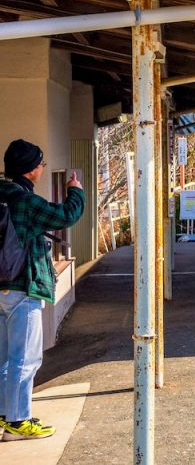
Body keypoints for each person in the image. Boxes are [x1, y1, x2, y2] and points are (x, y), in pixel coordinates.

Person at [0, 139, 84, 441]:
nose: (42, 168)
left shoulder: (2, 194)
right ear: (31, 169)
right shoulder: (24, 201)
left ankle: (5, 416)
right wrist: (76, 190)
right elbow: (66, 216)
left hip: (2, 289)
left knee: (5, 360)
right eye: (41, 164)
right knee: (26, 358)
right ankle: (19, 421)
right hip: (23, 287)